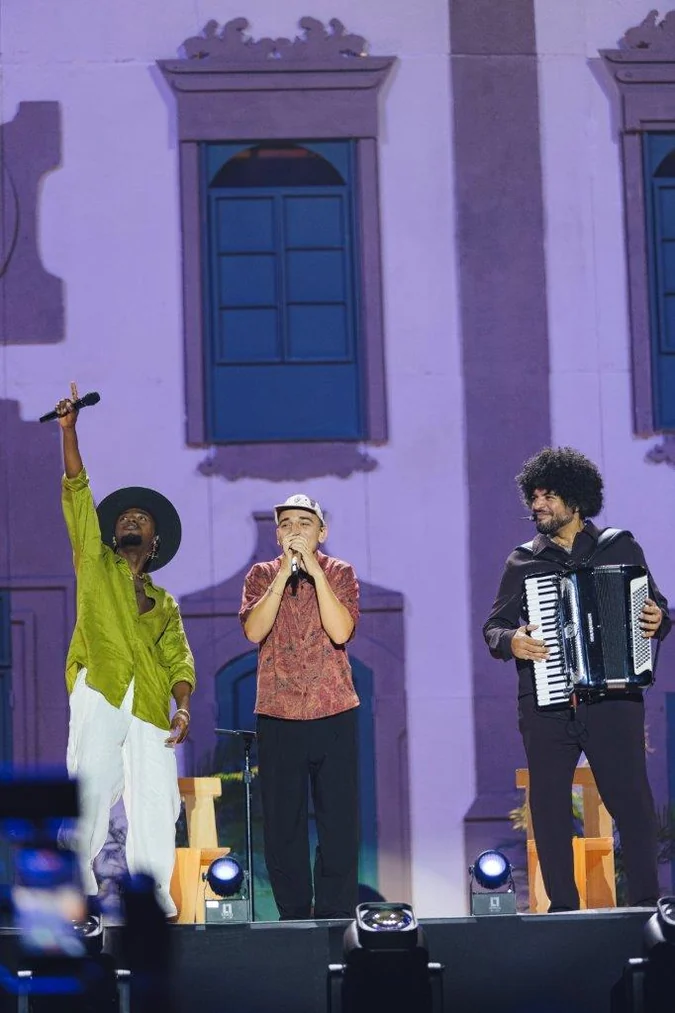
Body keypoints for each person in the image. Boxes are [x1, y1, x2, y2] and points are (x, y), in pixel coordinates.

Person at [483, 446, 671, 911]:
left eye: (548, 496)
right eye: (534, 497)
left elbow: (659, 607)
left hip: (614, 700)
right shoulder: (522, 563)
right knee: (547, 810)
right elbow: (493, 629)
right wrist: (514, 642)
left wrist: (658, 618)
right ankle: (562, 909)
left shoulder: (619, 546)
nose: (538, 505)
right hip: (547, 706)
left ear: (577, 501)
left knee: (633, 805)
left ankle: (647, 907)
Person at [56, 383, 196, 919]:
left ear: (154, 542)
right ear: (112, 535)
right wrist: (70, 432)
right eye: (124, 520)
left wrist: (181, 707)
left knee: (157, 798)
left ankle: (154, 893)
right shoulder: (96, 564)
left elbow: (181, 660)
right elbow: (77, 492)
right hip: (102, 684)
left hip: (151, 700)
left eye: (142, 521)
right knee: (89, 782)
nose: (131, 522)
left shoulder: (165, 603)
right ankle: (76, 881)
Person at [240, 493, 360, 920]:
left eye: (304, 523)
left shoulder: (340, 572)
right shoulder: (260, 575)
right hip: (278, 713)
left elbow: (341, 629)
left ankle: (334, 913)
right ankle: (293, 914)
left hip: (334, 711)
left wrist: (314, 573)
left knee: (339, 824)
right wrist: (282, 577)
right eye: (286, 523)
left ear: (322, 532)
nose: (294, 530)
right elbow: (254, 631)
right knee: (283, 826)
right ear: (276, 534)